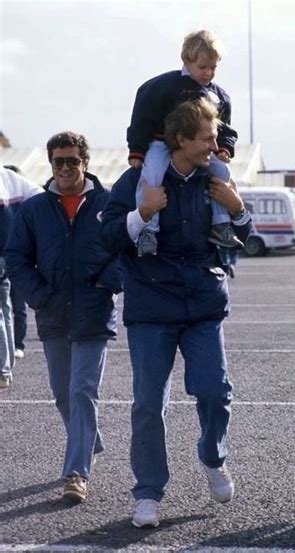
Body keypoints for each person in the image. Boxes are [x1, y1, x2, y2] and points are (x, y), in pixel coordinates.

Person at [100, 98, 253, 528]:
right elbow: (107, 236)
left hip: (204, 303)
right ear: (181, 139)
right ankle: (148, 493)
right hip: (151, 309)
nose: (214, 144)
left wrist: (238, 207)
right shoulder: (136, 180)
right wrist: (143, 210)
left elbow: (244, 232)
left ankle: (212, 456)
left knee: (214, 392)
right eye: (207, 137)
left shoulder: (215, 179)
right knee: (149, 404)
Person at [5, 132, 122, 502]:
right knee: (61, 395)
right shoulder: (34, 209)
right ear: (50, 164)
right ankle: (88, 439)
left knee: (82, 391)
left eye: (72, 160)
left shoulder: (108, 203)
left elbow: (127, 250)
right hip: (53, 313)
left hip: (93, 312)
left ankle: (76, 473)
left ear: (85, 162)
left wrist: (108, 283)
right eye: (59, 161)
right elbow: (17, 258)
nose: (66, 168)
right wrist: (39, 296)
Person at [127, 29, 243, 256]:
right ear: (186, 61)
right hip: (161, 144)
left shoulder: (218, 95)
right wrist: (137, 150)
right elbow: (141, 118)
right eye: (202, 67)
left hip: (200, 151)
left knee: (223, 172)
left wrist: (226, 147)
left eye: (213, 67)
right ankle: (148, 231)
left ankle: (221, 224)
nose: (208, 73)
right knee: (151, 176)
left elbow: (225, 128)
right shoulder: (162, 87)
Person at [0, 166, 41, 388]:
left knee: (6, 309)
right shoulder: (10, 176)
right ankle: (6, 367)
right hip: (9, 255)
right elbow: (39, 195)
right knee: (6, 309)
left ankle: (2, 369)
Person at [3, 165, 32, 360]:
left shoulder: (23, 206)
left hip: (18, 261)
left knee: (18, 307)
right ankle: (8, 358)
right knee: (6, 309)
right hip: (7, 260)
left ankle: (18, 344)